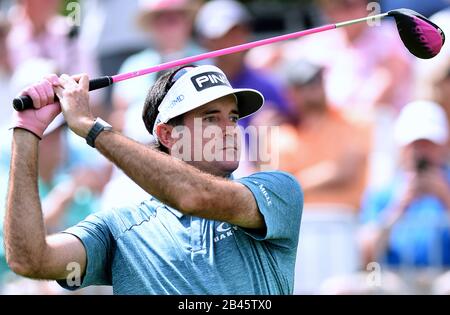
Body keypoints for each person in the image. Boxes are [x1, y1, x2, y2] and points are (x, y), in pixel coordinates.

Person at [5, 64, 303, 294]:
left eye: (233, 117)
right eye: (211, 118)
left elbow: (194, 196)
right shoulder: (118, 228)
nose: (229, 129)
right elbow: (30, 259)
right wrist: (26, 132)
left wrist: (91, 127)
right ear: (167, 134)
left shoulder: (275, 190)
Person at [359, 100, 450, 293]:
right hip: (396, 277)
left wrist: (446, 198)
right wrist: (397, 208)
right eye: (415, 145)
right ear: (402, 147)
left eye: (428, 145)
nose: (422, 153)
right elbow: (367, 254)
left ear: (443, 145)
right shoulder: (384, 191)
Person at [195, 0, 290, 129]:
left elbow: (295, 122)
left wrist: (280, 124)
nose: (231, 42)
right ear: (204, 40)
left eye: (236, 33)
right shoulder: (194, 87)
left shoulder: (268, 84)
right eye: (222, 35)